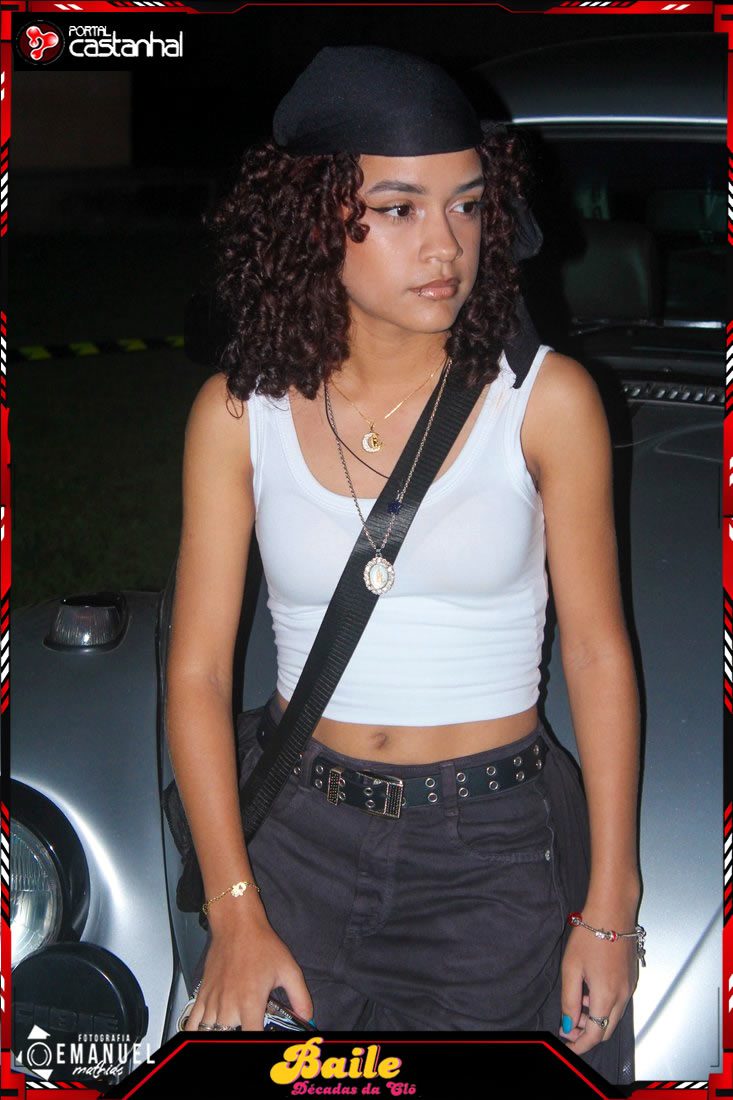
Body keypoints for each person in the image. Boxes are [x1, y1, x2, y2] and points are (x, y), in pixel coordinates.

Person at [165, 45, 642, 1085]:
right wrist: (234, 908)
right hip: (295, 838)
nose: (444, 246)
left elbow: (599, 656)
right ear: (312, 219)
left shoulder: (543, 402)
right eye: (397, 209)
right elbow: (196, 674)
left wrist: (610, 907)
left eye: (467, 206)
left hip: (485, 855)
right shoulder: (238, 415)